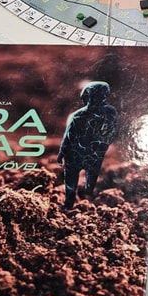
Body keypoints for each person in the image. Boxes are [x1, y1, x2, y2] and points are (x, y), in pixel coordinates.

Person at [57, 81, 118, 209]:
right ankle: (69, 204)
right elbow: (68, 136)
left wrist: (102, 144)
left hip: (93, 153)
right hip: (75, 154)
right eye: (91, 96)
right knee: (71, 181)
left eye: (97, 96)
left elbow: (111, 131)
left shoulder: (109, 112)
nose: (93, 100)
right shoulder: (78, 116)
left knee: (90, 182)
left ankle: (89, 202)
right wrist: (62, 153)